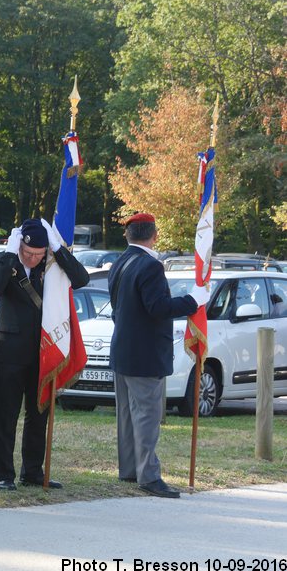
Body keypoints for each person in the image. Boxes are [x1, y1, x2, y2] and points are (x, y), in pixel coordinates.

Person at [0, 218, 88, 491]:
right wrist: (10, 254)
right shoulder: (2, 260)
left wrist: (58, 250)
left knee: (38, 413)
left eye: (38, 254)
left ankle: (32, 471)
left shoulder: (52, 266)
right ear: (19, 246)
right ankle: (4, 474)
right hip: (10, 351)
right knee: (6, 416)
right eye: (27, 253)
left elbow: (81, 279)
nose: (32, 259)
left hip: (43, 351)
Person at [108, 213, 208, 498]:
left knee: (127, 415)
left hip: (124, 349)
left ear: (128, 235)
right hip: (145, 353)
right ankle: (148, 476)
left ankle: (130, 469)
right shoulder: (150, 265)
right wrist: (192, 301)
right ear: (154, 235)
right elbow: (157, 307)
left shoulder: (120, 262)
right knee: (147, 416)